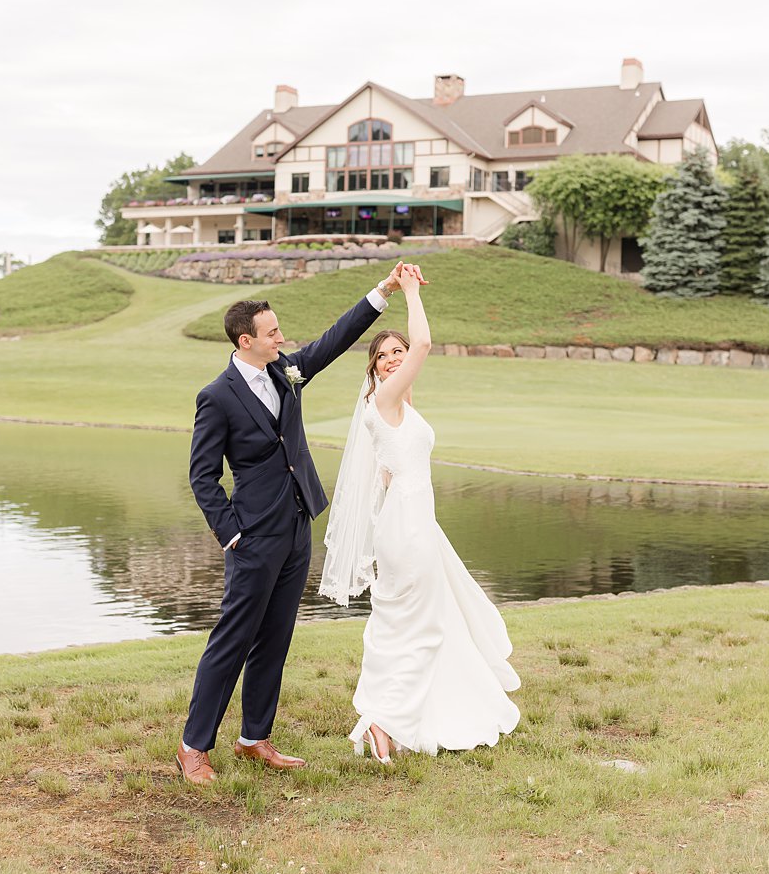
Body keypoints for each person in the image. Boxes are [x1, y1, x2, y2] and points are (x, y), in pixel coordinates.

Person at [177, 261, 412, 785]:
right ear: (246, 341)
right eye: (273, 332)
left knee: (277, 636)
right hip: (252, 535)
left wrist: (383, 292)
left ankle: (253, 738)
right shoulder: (216, 397)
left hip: (297, 523)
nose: (282, 337)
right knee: (232, 639)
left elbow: (332, 340)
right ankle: (194, 747)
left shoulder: (286, 371)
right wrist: (232, 533)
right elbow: (202, 478)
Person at [319, 263, 520, 763]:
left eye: (396, 352)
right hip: (407, 527)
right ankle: (383, 723)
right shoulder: (385, 398)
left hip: (411, 520)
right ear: (373, 369)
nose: (390, 360)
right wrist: (408, 291)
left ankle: (402, 717)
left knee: (411, 622)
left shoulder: (397, 407)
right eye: (382, 355)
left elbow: (389, 466)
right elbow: (425, 344)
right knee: (420, 623)